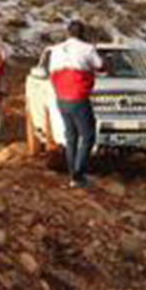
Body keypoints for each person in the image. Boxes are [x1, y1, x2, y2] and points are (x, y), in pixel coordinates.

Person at [47, 21, 104, 188]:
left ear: (68, 33)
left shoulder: (56, 50)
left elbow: (51, 72)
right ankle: (78, 175)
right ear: (83, 33)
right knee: (88, 136)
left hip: (61, 97)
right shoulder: (87, 49)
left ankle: (73, 175)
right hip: (78, 97)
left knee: (70, 137)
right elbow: (100, 66)